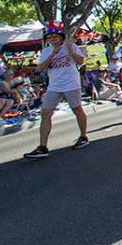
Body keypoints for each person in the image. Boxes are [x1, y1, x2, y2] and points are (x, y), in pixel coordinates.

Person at [23, 22, 90, 159]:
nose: (52, 39)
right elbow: (41, 68)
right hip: (54, 85)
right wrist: (52, 54)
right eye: (49, 37)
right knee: (46, 112)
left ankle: (83, 137)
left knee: (77, 109)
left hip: (71, 83)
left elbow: (81, 60)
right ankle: (43, 147)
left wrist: (71, 51)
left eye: (54, 37)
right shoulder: (47, 51)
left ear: (60, 37)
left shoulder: (70, 46)